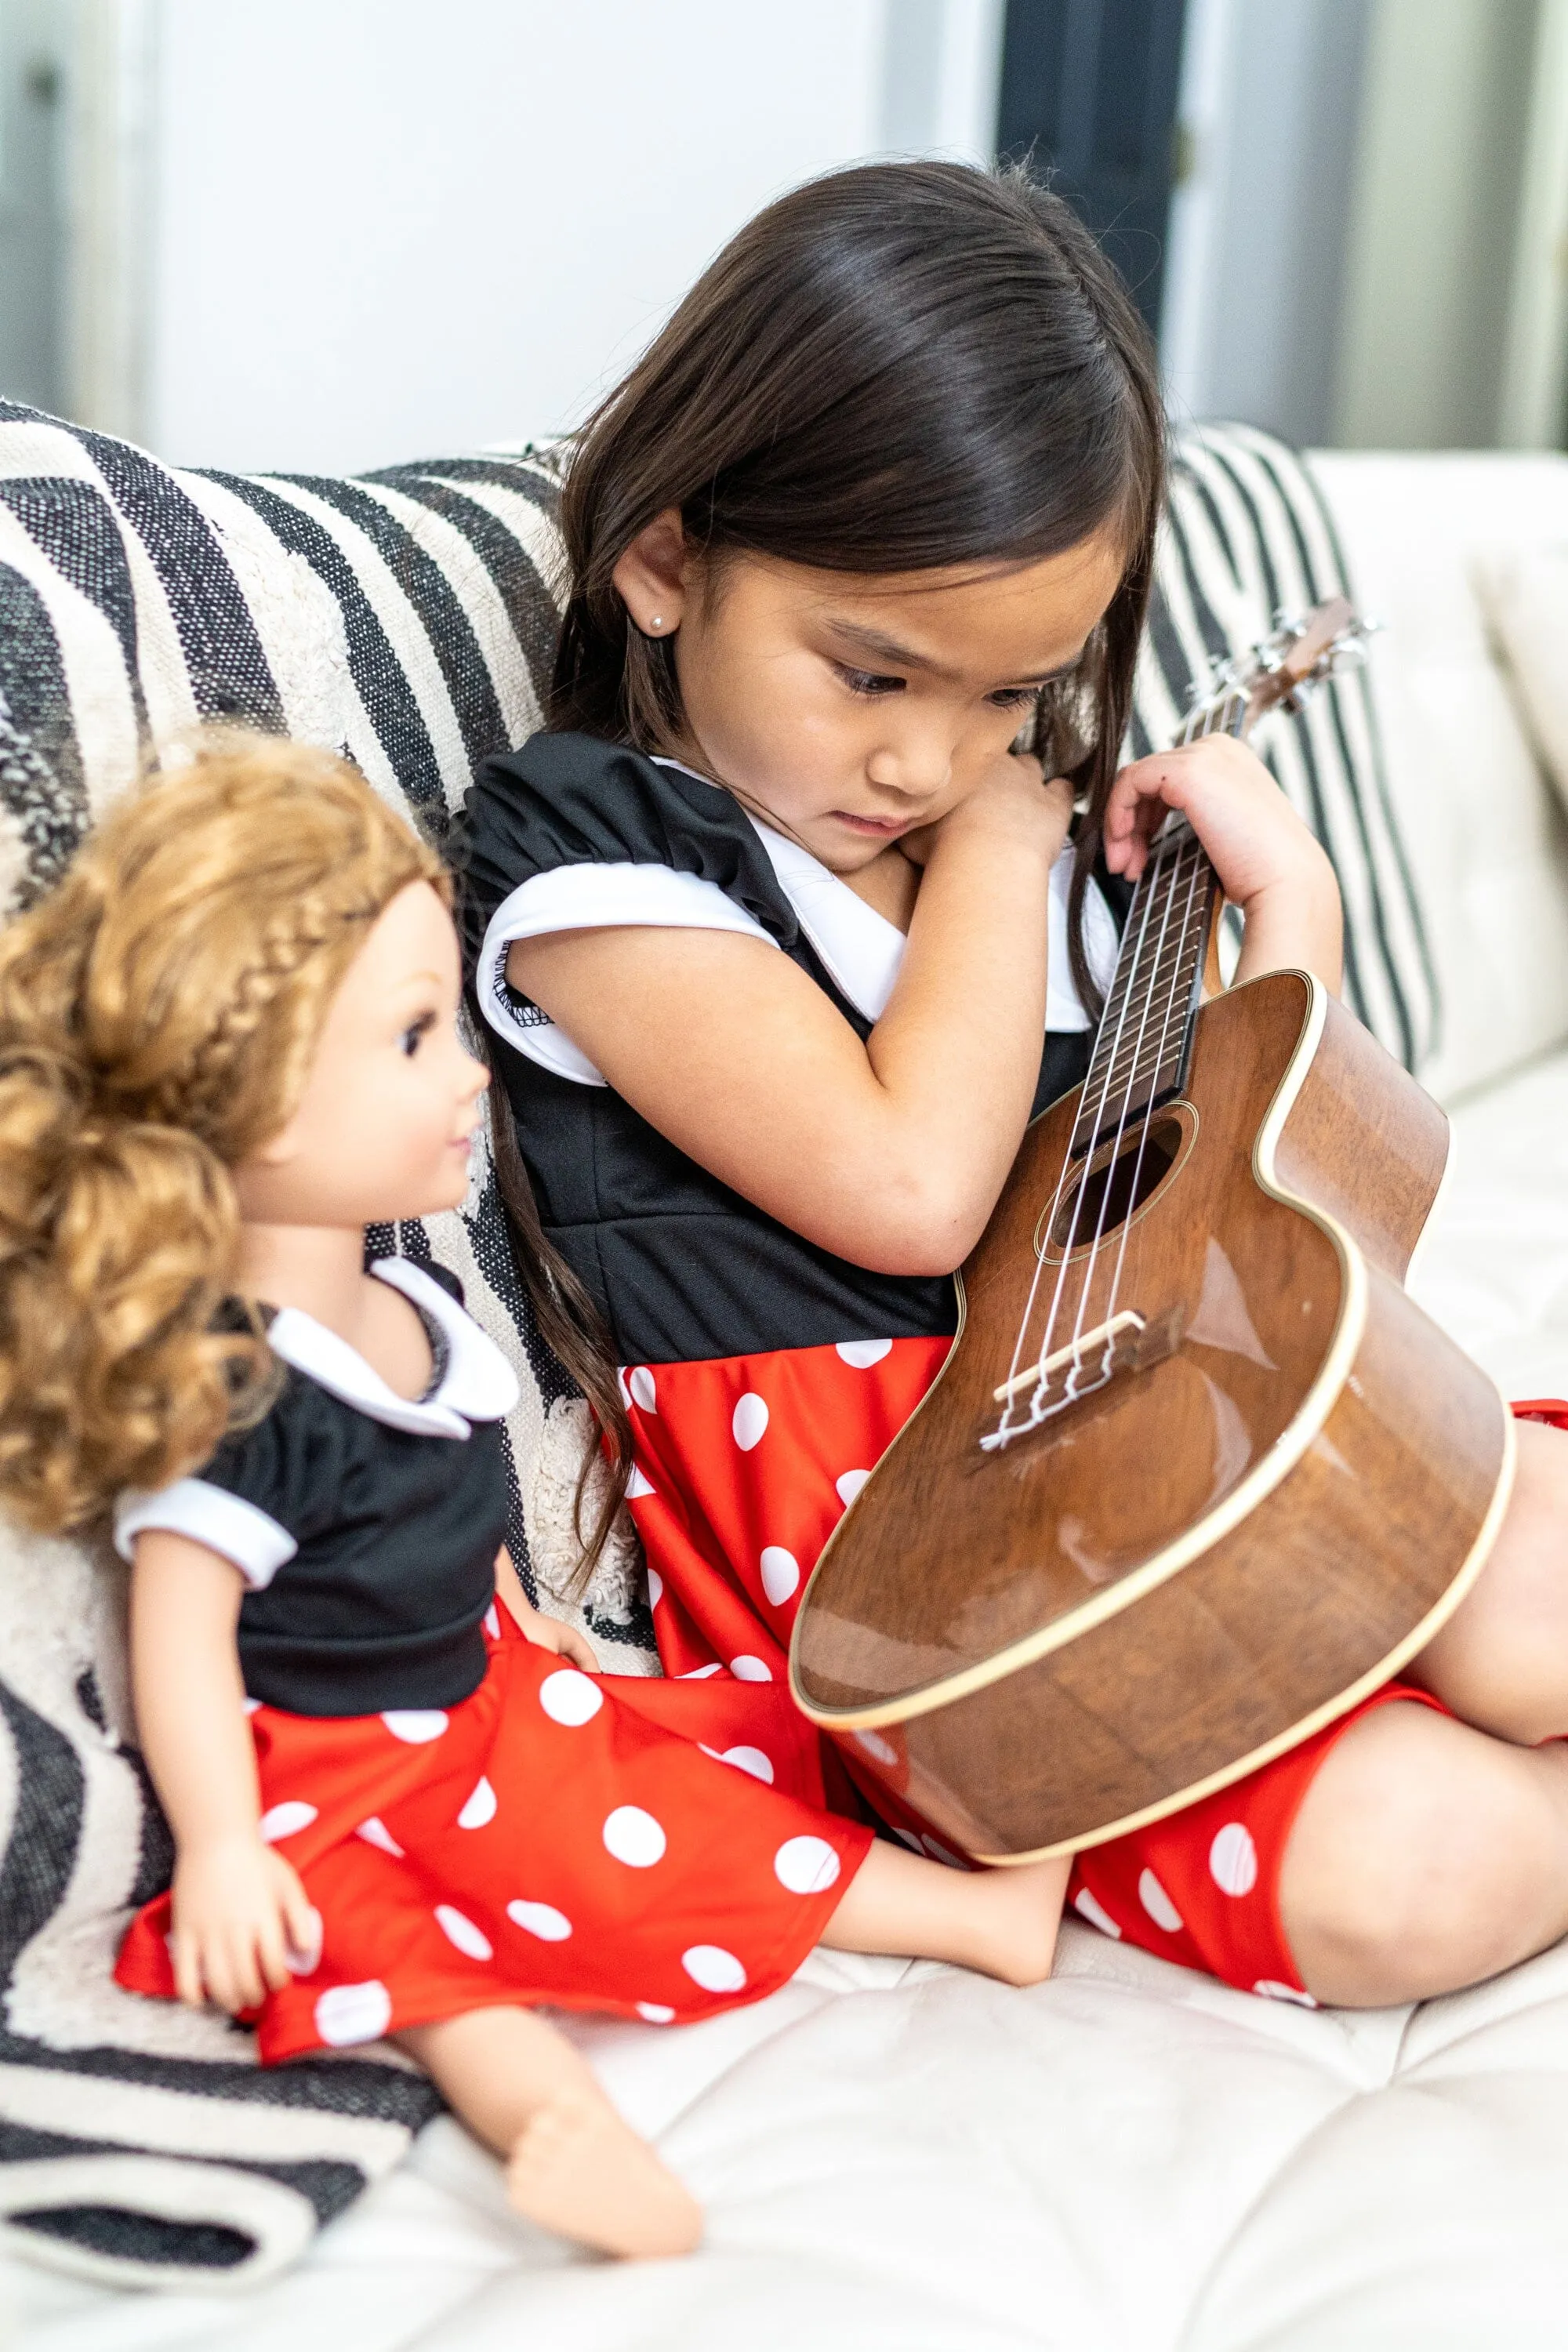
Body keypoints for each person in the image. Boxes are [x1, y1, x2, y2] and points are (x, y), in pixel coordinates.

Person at [455, 159, 1568, 2018]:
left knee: (1536, 1592)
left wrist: (1289, 908)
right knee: (1412, 1878)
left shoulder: (1028, 864)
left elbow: (1250, 1196)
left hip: (1187, 1435)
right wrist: (999, 839)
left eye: (1008, 696)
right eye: (872, 670)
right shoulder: (596, 850)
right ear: (663, 562)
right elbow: (908, 1192)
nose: (922, 755)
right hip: (953, 1594)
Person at [0, 735, 1074, 2262]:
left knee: (696, 1753)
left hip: (489, 1693)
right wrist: (228, 1847)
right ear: (250, 1095)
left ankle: (968, 1898)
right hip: (338, 1781)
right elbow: (184, 1640)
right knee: (413, 1945)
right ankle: (546, 2119)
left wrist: (521, 1620)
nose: (473, 1072)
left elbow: (450, 1508)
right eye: (414, 1038)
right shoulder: (241, 1389)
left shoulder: (406, 1307)